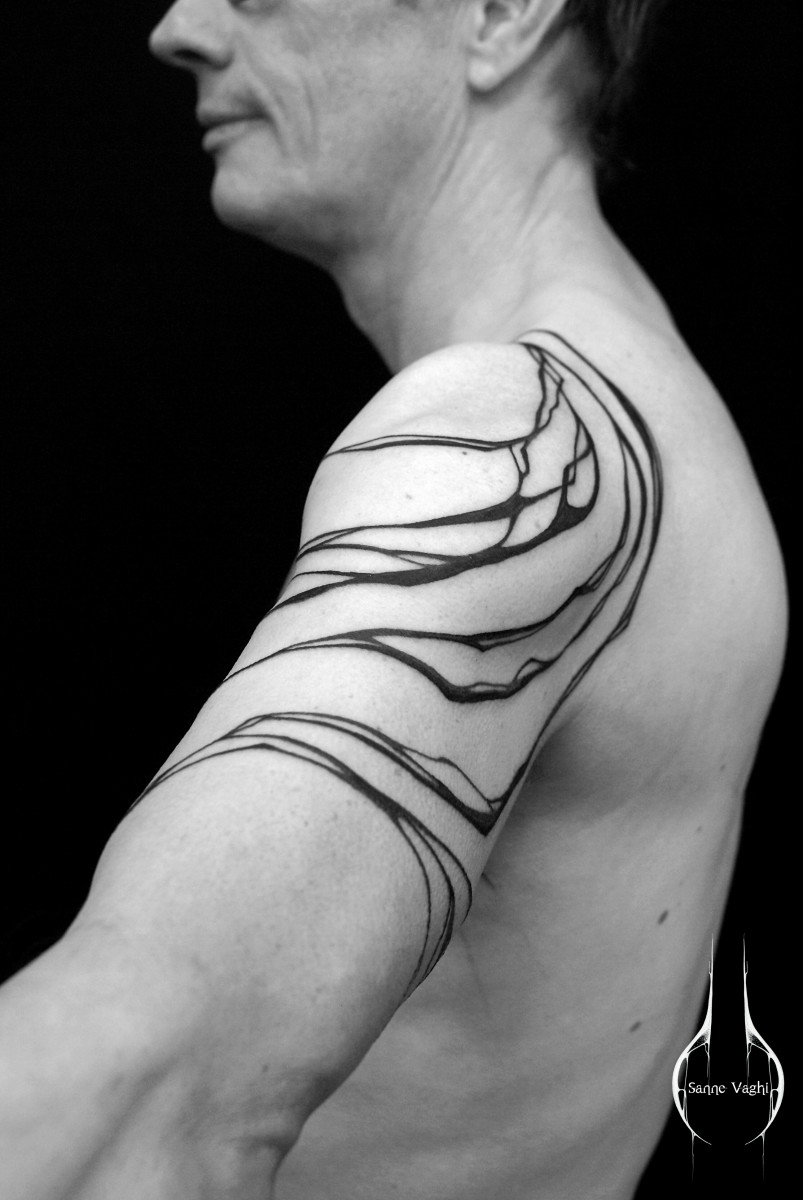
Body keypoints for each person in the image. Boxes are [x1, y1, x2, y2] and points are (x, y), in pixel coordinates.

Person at [0, 1, 787, 1198]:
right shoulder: (655, 416)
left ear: (502, 12)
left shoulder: (511, 439)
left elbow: (148, 1083)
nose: (178, 26)